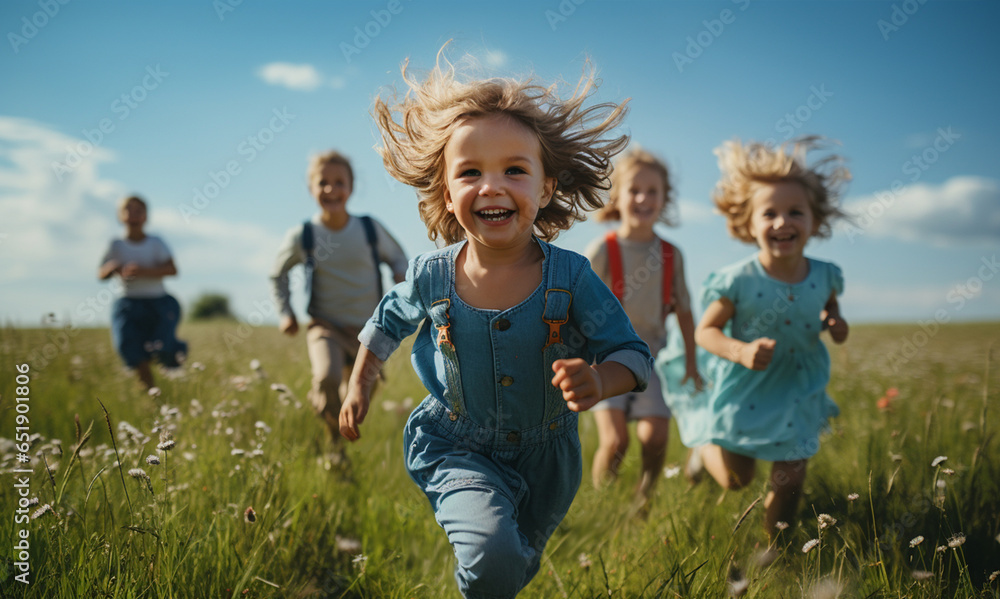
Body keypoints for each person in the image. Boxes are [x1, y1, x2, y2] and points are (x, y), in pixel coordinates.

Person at [339, 52, 652, 599]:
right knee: (492, 554)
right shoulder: (431, 275)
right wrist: (358, 383)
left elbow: (631, 351)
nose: (491, 186)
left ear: (545, 188)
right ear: (445, 191)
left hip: (547, 457)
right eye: (470, 172)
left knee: (511, 567)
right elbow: (385, 321)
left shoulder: (571, 278)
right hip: (456, 443)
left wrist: (603, 381)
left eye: (513, 170)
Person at [661, 136, 850, 554]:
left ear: (814, 221)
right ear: (748, 223)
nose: (782, 222)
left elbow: (824, 308)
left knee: (791, 477)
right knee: (736, 479)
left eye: (795, 212)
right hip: (744, 387)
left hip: (797, 387)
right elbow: (705, 332)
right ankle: (703, 449)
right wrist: (740, 351)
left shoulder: (824, 275)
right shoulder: (738, 280)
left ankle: (775, 554)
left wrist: (832, 322)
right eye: (770, 213)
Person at [584, 147, 701, 511]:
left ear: (665, 199)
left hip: (653, 356)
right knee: (616, 440)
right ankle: (602, 504)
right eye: (634, 189)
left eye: (653, 191)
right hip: (604, 355)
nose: (643, 198)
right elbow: (576, 304)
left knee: (655, 436)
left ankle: (643, 502)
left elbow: (684, 310)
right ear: (617, 195)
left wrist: (693, 365)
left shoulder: (671, 254)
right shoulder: (603, 250)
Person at [270, 150, 408, 454]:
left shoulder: (369, 229)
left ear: (351, 187)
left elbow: (398, 256)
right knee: (326, 376)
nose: (331, 189)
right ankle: (334, 446)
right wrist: (286, 312)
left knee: (358, 394)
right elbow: (277, 274)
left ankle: (336, 422)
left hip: (369, 330)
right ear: (311, 189)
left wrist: (400, 273)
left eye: (339, 182)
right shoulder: (304, 235)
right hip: (325, 325)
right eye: (323, 183)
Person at [99, 195, 187, 390]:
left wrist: (143, 271)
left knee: (161, 345)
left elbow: (172, 270)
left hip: (159, 303)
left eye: (138, 210)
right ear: (120, 216)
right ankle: (150, 391)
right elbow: (101, 273)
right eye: (128, 210)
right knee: (128, 346)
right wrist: (113, 267)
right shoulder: (116, 245)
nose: (133, 215)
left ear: (146, 216)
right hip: (128, 303)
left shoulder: (156, 243)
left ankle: (175, 360)